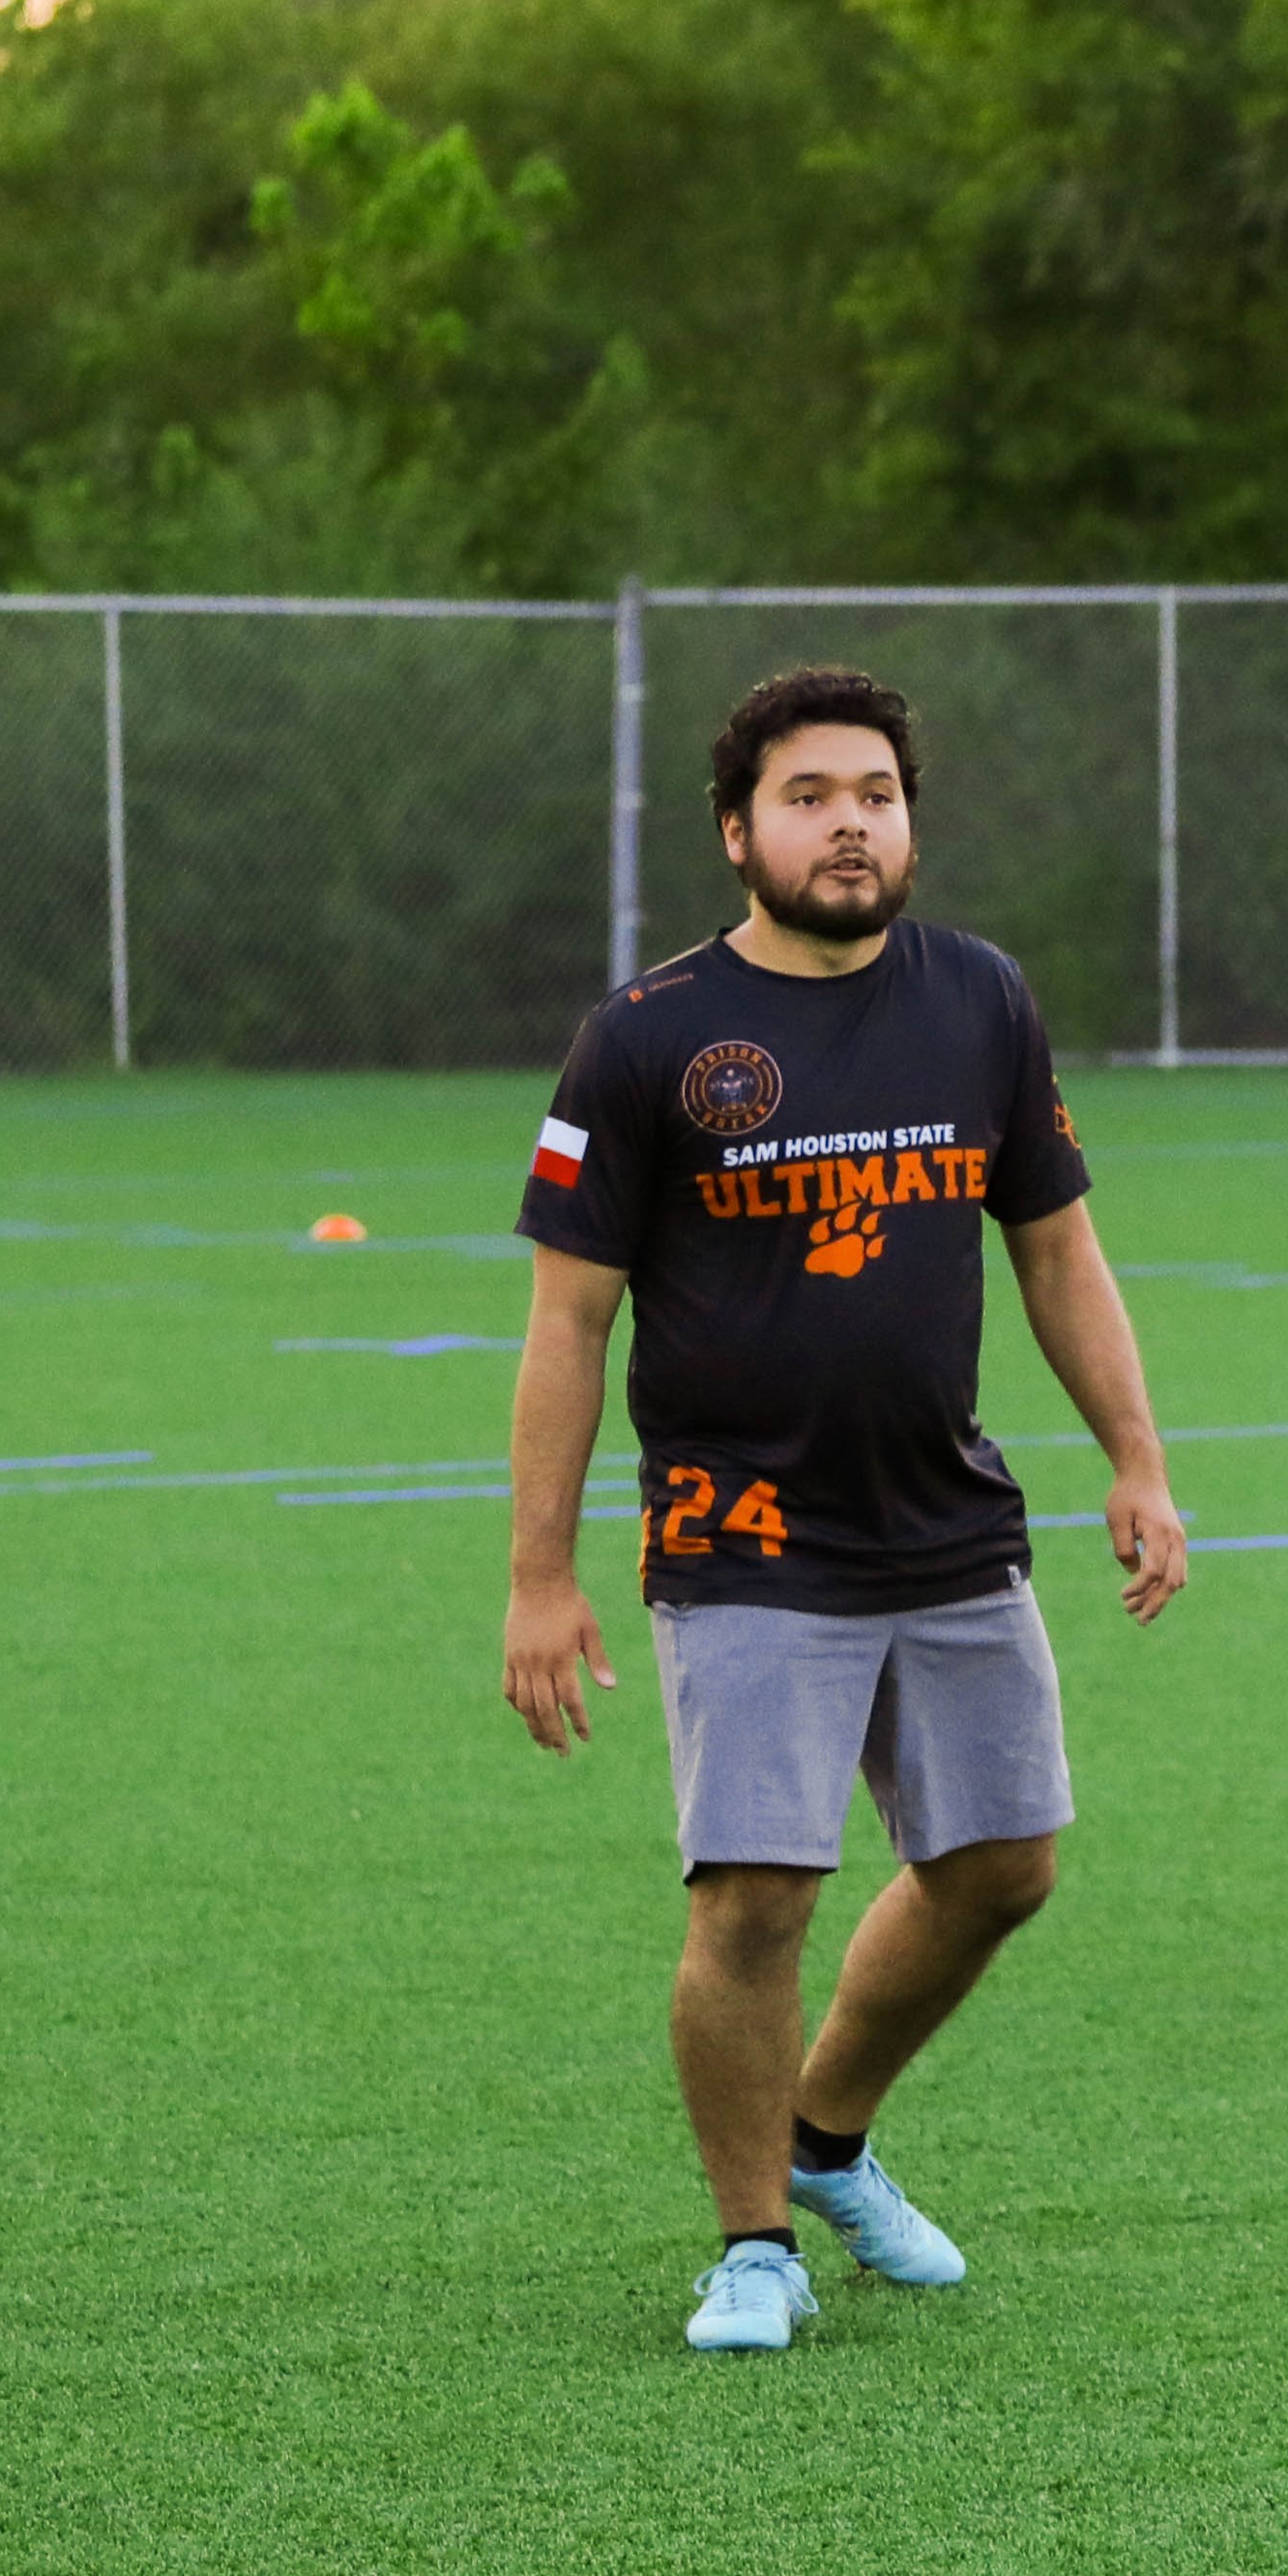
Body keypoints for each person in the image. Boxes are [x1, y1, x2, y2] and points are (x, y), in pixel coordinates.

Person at [492, 664, 1190, 2357]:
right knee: (756, 1898)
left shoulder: (983, 999)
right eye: (808, 797)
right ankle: (753, 2246)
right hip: (742, 1533)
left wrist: (1138, 1458)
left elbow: (1056, 1250)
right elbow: (570, 1323)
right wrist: (538, 1576)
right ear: (739, 833)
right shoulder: (647, 1036)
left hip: (945, 1518)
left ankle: (825, 2140)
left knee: (1002, 1867)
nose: (850, 824)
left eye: (875, 794)